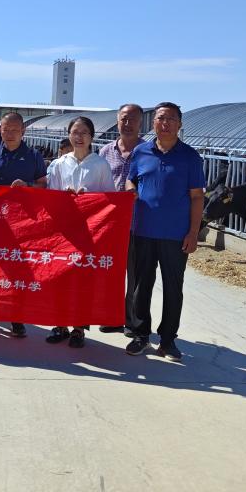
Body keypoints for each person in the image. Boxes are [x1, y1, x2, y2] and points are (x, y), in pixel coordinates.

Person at [125, 102, 205, 362]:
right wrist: (130, 189)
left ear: (179, 125)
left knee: (173, 287)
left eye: (171, 119)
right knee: (141, 285)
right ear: (153, 123)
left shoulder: (190, 157)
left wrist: (193, 232)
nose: (165, 123)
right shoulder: (141, 152)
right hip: (142, 230)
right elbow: (131, 179)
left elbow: (197, 197)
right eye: (160, 118)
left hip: (175, 234)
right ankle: (140, 334)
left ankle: (168, 340)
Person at [0, 112, 47, 338]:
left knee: (19, 272)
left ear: (23, 131)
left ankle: (17, 318)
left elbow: (44, 187)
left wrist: (27, 186)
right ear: (0, 131)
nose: (10, 133)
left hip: (23, 225)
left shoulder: (34, 156)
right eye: (6, 129)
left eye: (15, 129)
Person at [44, 115, 114, 348]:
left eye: (84, 132)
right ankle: (60, 324)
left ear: (92, 136)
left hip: (90, 231)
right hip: (64, 230)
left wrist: (90, 198)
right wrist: (64, 197)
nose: (79, 137)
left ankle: (79, 329)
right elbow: (51, 195)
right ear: (69, 135)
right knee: (61, 277)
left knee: (83, 280)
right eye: (75, 132)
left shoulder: (100, 164)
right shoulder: (60, 163)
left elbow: (110, 199)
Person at [98, 103, 144, 336]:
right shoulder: (105, 152)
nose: (128, 124)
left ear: (141, 123)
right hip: (109, 224)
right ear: (117, 121)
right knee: (109, 272)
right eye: (124, 119)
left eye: (133, 119)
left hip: (138, 223)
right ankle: (111, 317)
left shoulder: (148, 151)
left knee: (134, 275)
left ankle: (131, 321)